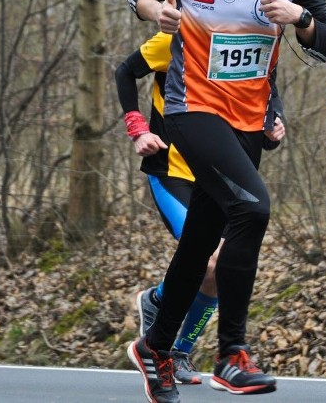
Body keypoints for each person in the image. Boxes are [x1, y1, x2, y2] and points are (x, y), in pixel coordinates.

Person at [124, 0, 326, 403]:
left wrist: (298, 16)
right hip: (192, 109)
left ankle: (155, 345)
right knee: (254, 208)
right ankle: (232, 353)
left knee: (201, 239)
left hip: (249, 120)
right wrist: (159, 14)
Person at [115, 31, 285, 385]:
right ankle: (162, 309)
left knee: (216, 266)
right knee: (213, 257)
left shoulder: (244, 43)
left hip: (217, 176)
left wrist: (272, 123)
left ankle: (176, 349)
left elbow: (265, 90)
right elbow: (125, 71)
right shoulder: (175, 39)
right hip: (173, 172)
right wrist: (138, 129)